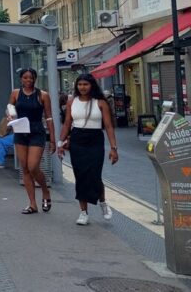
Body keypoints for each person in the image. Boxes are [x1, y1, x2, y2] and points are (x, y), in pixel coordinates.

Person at [57, 73, 119, 225]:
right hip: (77, 138)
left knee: (94, 174)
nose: (82, 87)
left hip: (95, 139)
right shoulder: (72, 102)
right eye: (80, 85)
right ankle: (83, 212)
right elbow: (66, 124)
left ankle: (103, 201)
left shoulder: (100, 102)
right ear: (76, 86)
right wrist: (60, 143)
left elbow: (109, 126)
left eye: (85, 84)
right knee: (80, 175)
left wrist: (113, 148)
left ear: (92, 85)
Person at [9, 68, 55, 214]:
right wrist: (10, 117)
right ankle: (32, 204)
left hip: (36, 132)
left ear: (35, 79)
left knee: (33, 166)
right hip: (20, 132)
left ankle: (45, 190)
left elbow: (48, 117)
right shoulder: (15, 93)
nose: (28, 80)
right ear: (21, 79)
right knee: (25, 168)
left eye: (31, 78)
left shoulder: (43, 95)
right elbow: (10, 109)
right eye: (25, 78)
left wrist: (52, 139)